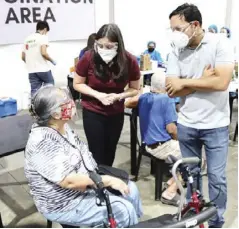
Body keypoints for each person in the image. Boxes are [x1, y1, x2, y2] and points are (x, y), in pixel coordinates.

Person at [25, 85, 143, 228]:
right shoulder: (43, 142)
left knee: (131, 190)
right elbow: (68, 182)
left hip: (86, 182)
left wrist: (100, 180)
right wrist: (107, 181)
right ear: (55, 114)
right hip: (64, 201)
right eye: (65, 101)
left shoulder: (62, 127)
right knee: (123, 211)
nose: (71, 102)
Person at [166, 3, 234, 228]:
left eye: (178, 28)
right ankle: (196, 217)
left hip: (216, 124)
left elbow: (222, 82)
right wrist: (203, 80)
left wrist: (185, 81)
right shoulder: (175, 50)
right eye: (172, 29)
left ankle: (215, 222)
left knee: (217, 179)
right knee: (192, 176)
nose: (174, 34)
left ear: (194, 25)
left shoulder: (220, 44)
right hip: (187, 124)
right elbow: (171, 88)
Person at [73, 24, 140, 166]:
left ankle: (106, 181)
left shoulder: (129, 60)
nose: (104, 50)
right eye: (100, 45)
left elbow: (135, 88)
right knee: (96, 152)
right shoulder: (89, 57)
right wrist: (98, 95)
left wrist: (119, 96)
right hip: (93, 111)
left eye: (109, 47)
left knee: (110, 151)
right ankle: (98, 183)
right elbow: (77, 84)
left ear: (118, 45)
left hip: (116, 113)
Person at [126, 72, 182, 206]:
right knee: (194, 155)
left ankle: (171, 181)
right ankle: (170, 192)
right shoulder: (167, 100)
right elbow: (172, 130)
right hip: (162, 146)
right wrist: (182, 140)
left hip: (147, 144)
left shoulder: (144, 98)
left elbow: (128, 103)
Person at [22, 21, 56, 97]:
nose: (46, 34)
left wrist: (31, 63)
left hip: (31, 70)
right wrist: (52, 60)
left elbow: (23, 57)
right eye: (46, 32)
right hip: (43, 69)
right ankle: (49, 106)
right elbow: (43, 53)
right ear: (44, 29)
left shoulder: (27, 39)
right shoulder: (43, 37)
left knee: (35, 91)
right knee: (50, 89)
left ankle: (35, 107)